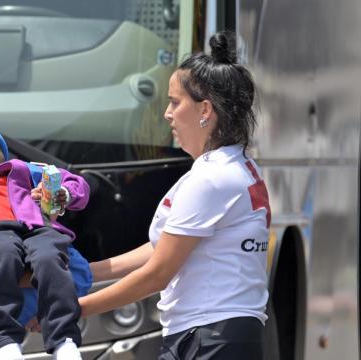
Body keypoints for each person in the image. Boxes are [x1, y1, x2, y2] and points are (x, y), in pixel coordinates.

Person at [79, 31, 270, 359]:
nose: (166, 114)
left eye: (174, 102)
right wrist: (86, 272)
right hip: (221, 335)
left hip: (207, 337)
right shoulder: (235, 166)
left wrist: (77, 307)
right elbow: (162, 247)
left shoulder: (210, 179)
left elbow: (158, 273)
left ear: (205, 110)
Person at [0, 115, 91, 360]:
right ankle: (4, 341)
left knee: (50, 258)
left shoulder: (24, 169)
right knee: (2, 257)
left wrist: (63, 193)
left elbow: (77, 184)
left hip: (37, 228)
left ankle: (64, 340)